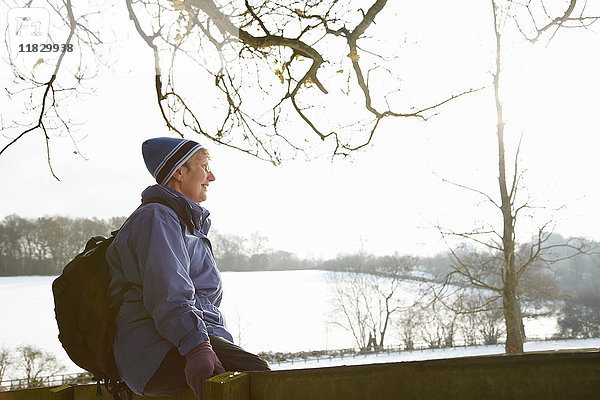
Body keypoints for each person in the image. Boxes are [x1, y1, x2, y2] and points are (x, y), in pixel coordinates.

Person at [106, 137, 270, 400]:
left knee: (244, 375)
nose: (212, 176)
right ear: (180, 172)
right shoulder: (157, 218)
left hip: (177, 343)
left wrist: (219, 347)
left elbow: (204, 305)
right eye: (205, 167)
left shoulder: (184, 225)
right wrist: (197, 348)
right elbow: (169, 294)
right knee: (258, 377)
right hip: (154, 351)